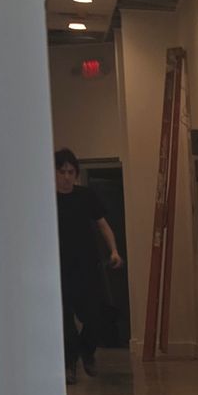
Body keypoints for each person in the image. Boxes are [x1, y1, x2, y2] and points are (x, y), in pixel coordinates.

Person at [55, 148, 121, 382]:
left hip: (87, 264)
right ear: (55, 173)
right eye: (62, 171)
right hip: (59, 267)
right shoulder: (47, 199)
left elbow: (103, 225)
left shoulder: (86, 196)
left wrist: (113, 250)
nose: (66, 176)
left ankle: (87, 350)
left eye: (70, 172)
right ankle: (70, 364)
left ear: (76, 174)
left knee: (94, 314)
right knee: (65, 320)